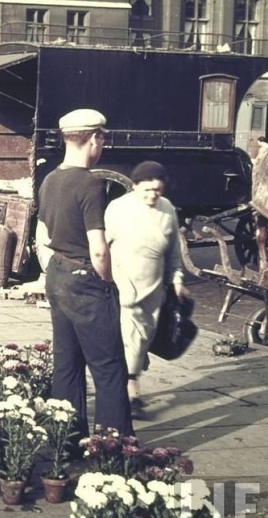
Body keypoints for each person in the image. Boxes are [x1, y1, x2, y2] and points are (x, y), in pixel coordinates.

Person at [35, 108, 134, 440]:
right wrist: (107, 281)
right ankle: (114, 445)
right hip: (86, 283)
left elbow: (43, 235)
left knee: (66, 365)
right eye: (101, 139)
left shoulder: (49, 180)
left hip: (57, 277)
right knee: (109, 369)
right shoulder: (90, 184)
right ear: (94, 139)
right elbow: (99, 249)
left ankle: (66, 440)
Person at [104, 161, 189, 417]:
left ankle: (132, 379)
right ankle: (131, 395)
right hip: (124, 284)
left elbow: (174, 252)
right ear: (135, 185)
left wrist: (177, 280)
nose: (153, 195)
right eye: (147, 190)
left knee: (142, 340)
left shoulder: (168, 210)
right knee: (131, 338)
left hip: (154, 290)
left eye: (157, 190)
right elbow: (103, 247)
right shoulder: (118, 208)